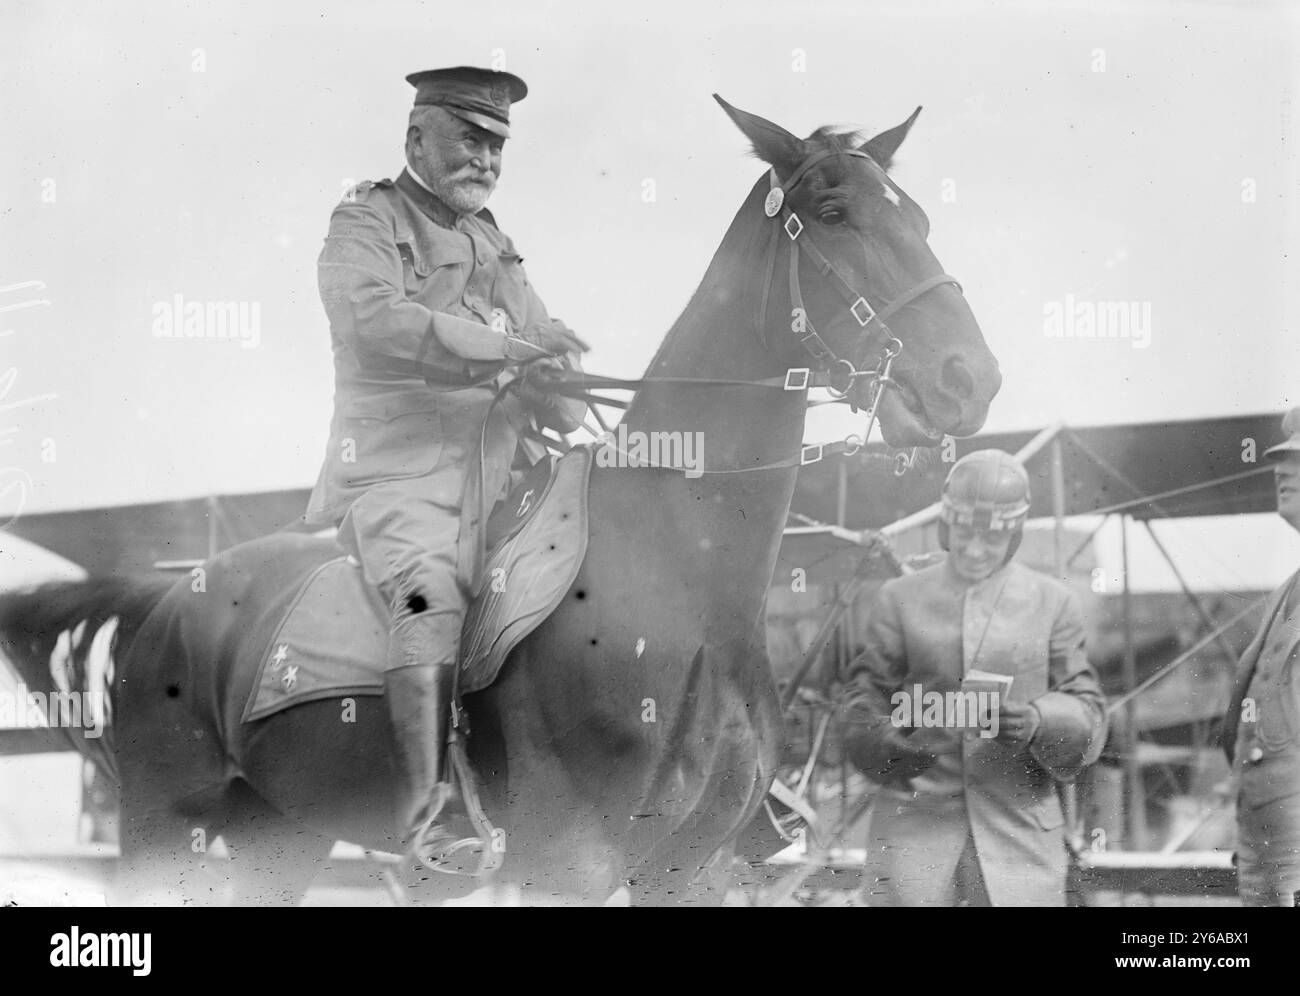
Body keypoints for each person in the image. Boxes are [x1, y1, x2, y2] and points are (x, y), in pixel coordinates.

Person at [303, 65, 588, 866]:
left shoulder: (494, 238)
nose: (486, 159)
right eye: (470, 138)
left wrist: (565, 384)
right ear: (416, 137)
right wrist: (505, 348)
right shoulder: (366, 218)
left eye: (497, 145)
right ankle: (433, 817)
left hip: (504, 467)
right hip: (401, 472)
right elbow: (372, 319)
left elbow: (538, 341)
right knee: (429, 592)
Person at [841, 449, 1107, 905]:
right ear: (946, 525)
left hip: (1018, 835)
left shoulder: (1054, 603)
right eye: (964, 532)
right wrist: (880, 741)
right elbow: (863, 694)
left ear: (1016, 535)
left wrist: (1039, 721)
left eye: (993, 538)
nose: (975, 549)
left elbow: (1089, 709)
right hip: (913, 830)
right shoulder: (898, 598)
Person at [1222, 406, 1300, 906]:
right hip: (1264, 848)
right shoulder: (1286, 593)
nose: (1282, 470)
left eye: (1298, 462)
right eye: (1283, 460)